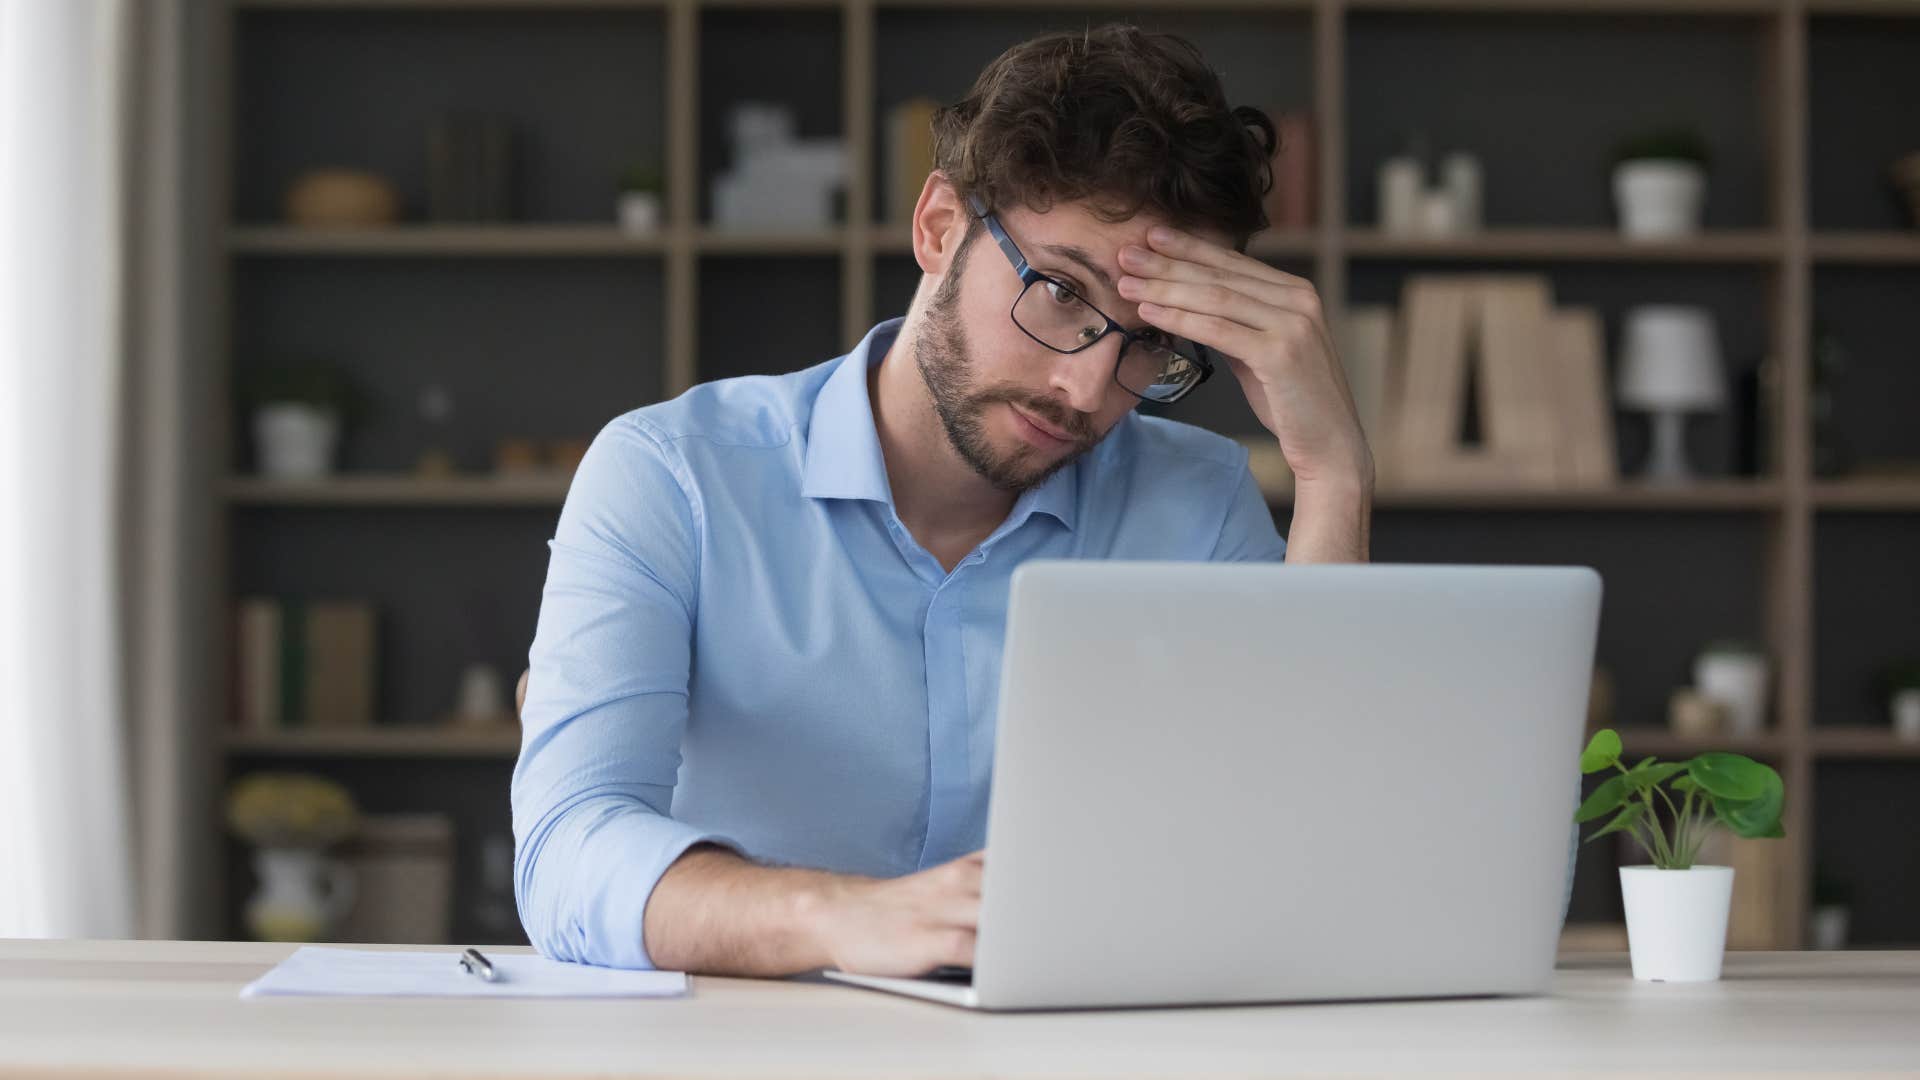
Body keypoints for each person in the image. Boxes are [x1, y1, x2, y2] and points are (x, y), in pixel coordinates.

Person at [512, 24, 1374, 978]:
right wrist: (845, 919)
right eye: (1058, 293)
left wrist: (1331, 472)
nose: (1089, 389)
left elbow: (1313, 856)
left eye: (1148, 345)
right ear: (938, 228)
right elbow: (565, 852)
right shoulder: (674, 476)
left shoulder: (1197, 501)